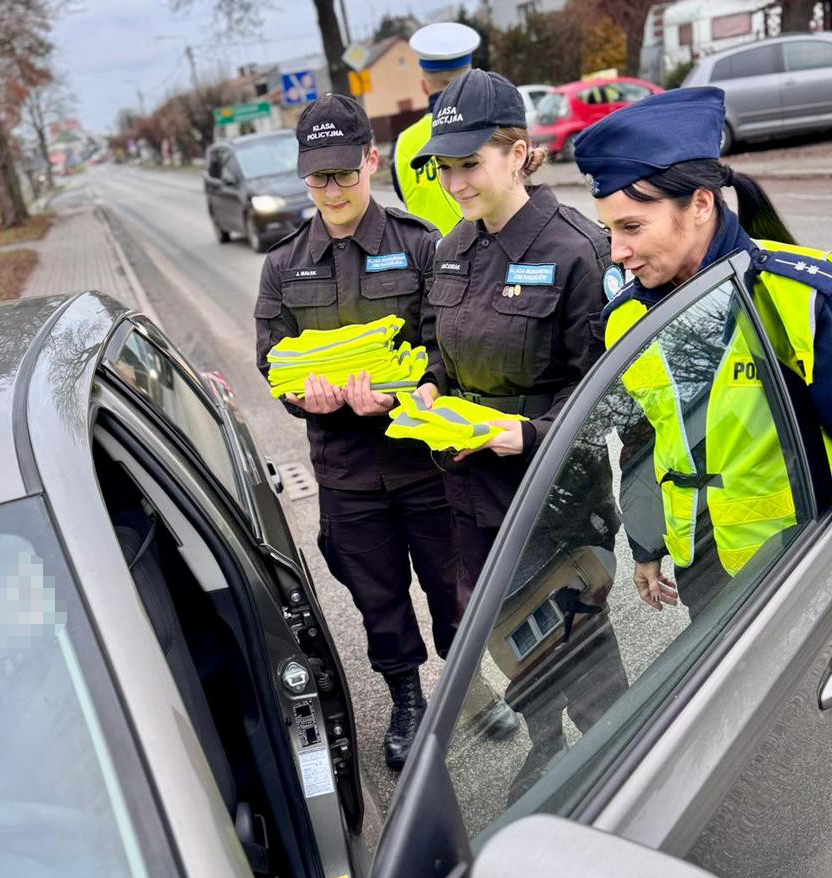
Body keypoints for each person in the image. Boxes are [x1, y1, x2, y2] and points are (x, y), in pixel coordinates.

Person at [572, 85, 832, 873]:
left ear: (701, 204)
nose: (616, 251)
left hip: (806, 572)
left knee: (826, 716)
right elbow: (642, 440)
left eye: (631, 227)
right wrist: (647, 546)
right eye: (609, 230)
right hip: (708, 572)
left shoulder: (802, 297)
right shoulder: (627, 318)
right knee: (748, 725)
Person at [408, 69, 629, 762]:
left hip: (553, 495)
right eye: (443, 168)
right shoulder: (451, 250)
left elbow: (612, 391)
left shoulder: (578, 249)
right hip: (472, 493)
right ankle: (545, 755)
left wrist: (528, 435)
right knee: (512, 641)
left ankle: (617, 772)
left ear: (518, 153)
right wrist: (429, 387)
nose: (454, 184)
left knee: (581, 648)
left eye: (469, 164)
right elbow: (439, 348)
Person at [254, 94, 462, 771]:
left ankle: (467, 692)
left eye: (344, 173)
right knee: (377, 598)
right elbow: (271, 359)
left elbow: (446, 348)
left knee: (453, 588)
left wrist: (405, 391)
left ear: (371, 160)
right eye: (319, 177)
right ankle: (407, 702)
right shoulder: (283, 263)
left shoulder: (419, 245)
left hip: (424, 462)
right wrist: (303, 398)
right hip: (345, 472)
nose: (333, 190)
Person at [390, 22, 479, 235]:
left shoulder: (402, 144)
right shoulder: (490, 127)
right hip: (492, 253)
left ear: (424, 86)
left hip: (431, 254)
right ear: (473, 79)